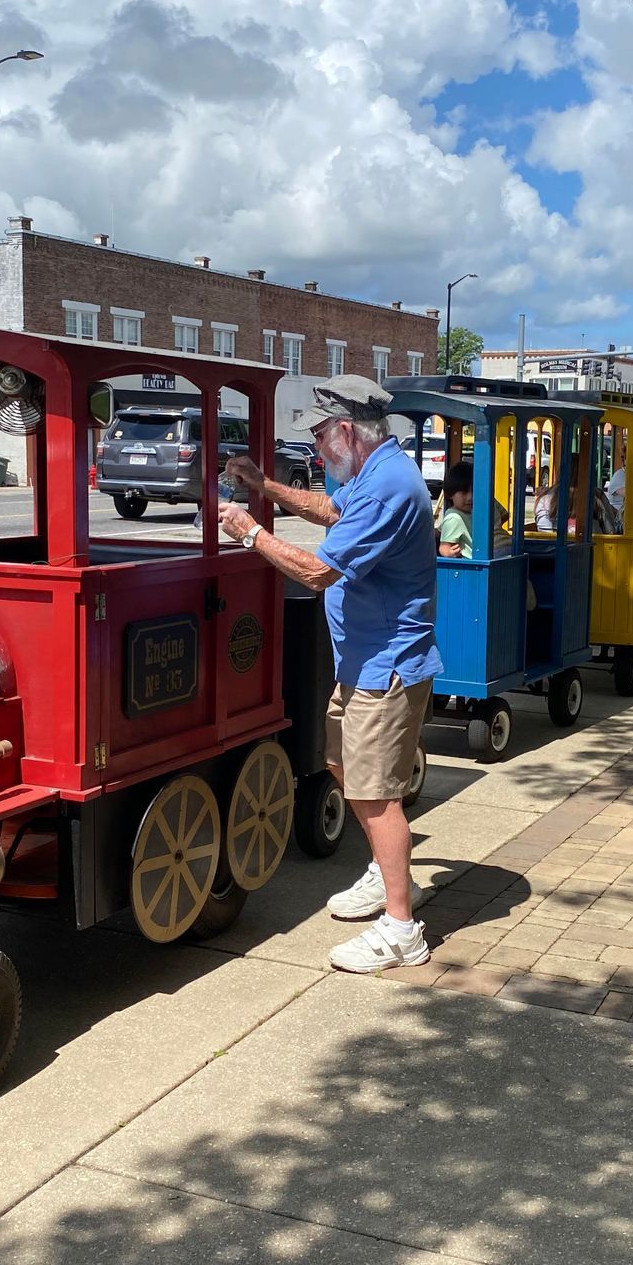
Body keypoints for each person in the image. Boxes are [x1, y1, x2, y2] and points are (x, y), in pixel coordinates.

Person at [219, 376, 442, 974]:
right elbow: (330, 510)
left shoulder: (389, 487)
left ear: (346, 430)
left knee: (374, 795)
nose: (316, 447)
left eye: (319, 434)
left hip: (387, 665)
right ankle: (387, 874)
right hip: (366, 661)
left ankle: (401, 928)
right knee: (343, 763)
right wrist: (266, 487)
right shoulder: (374, 475)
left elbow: (317, 572)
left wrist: (250, 531)